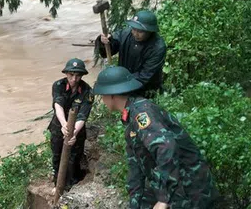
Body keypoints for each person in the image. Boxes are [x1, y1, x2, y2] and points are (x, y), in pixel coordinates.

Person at [93, 66, 219, 209]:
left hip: (190, 186)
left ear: (112, 95)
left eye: (102, 95)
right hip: (173, 184)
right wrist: (135, 202)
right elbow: (135, 166)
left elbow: (166, 147)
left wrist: (164, 198)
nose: (102, 99)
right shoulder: (130, 117)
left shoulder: (141, 113)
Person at [47, 58, 95, 192]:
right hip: (58, 125)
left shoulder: (88, 91)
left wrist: (73, 133)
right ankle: (58, 184)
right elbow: (58, 104)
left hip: (78, 129)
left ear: (82, 76)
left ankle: (72, 185)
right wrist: (63, 125)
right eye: (71, 74)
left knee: (74, 156)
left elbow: (83, 115)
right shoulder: (58, 85)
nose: (74, 78)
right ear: (66, 73)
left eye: (78, 75)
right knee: (57, 154)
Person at [95, 10, 166, 98]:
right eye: (133, 29)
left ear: (150, 31)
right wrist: (106, 41)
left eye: (140, 31)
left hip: (146, 90)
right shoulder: (125, 34)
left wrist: (120, 81)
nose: (135, 34)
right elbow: (108, 51)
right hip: (124, 85)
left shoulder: (157, 47)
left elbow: (145, 75)